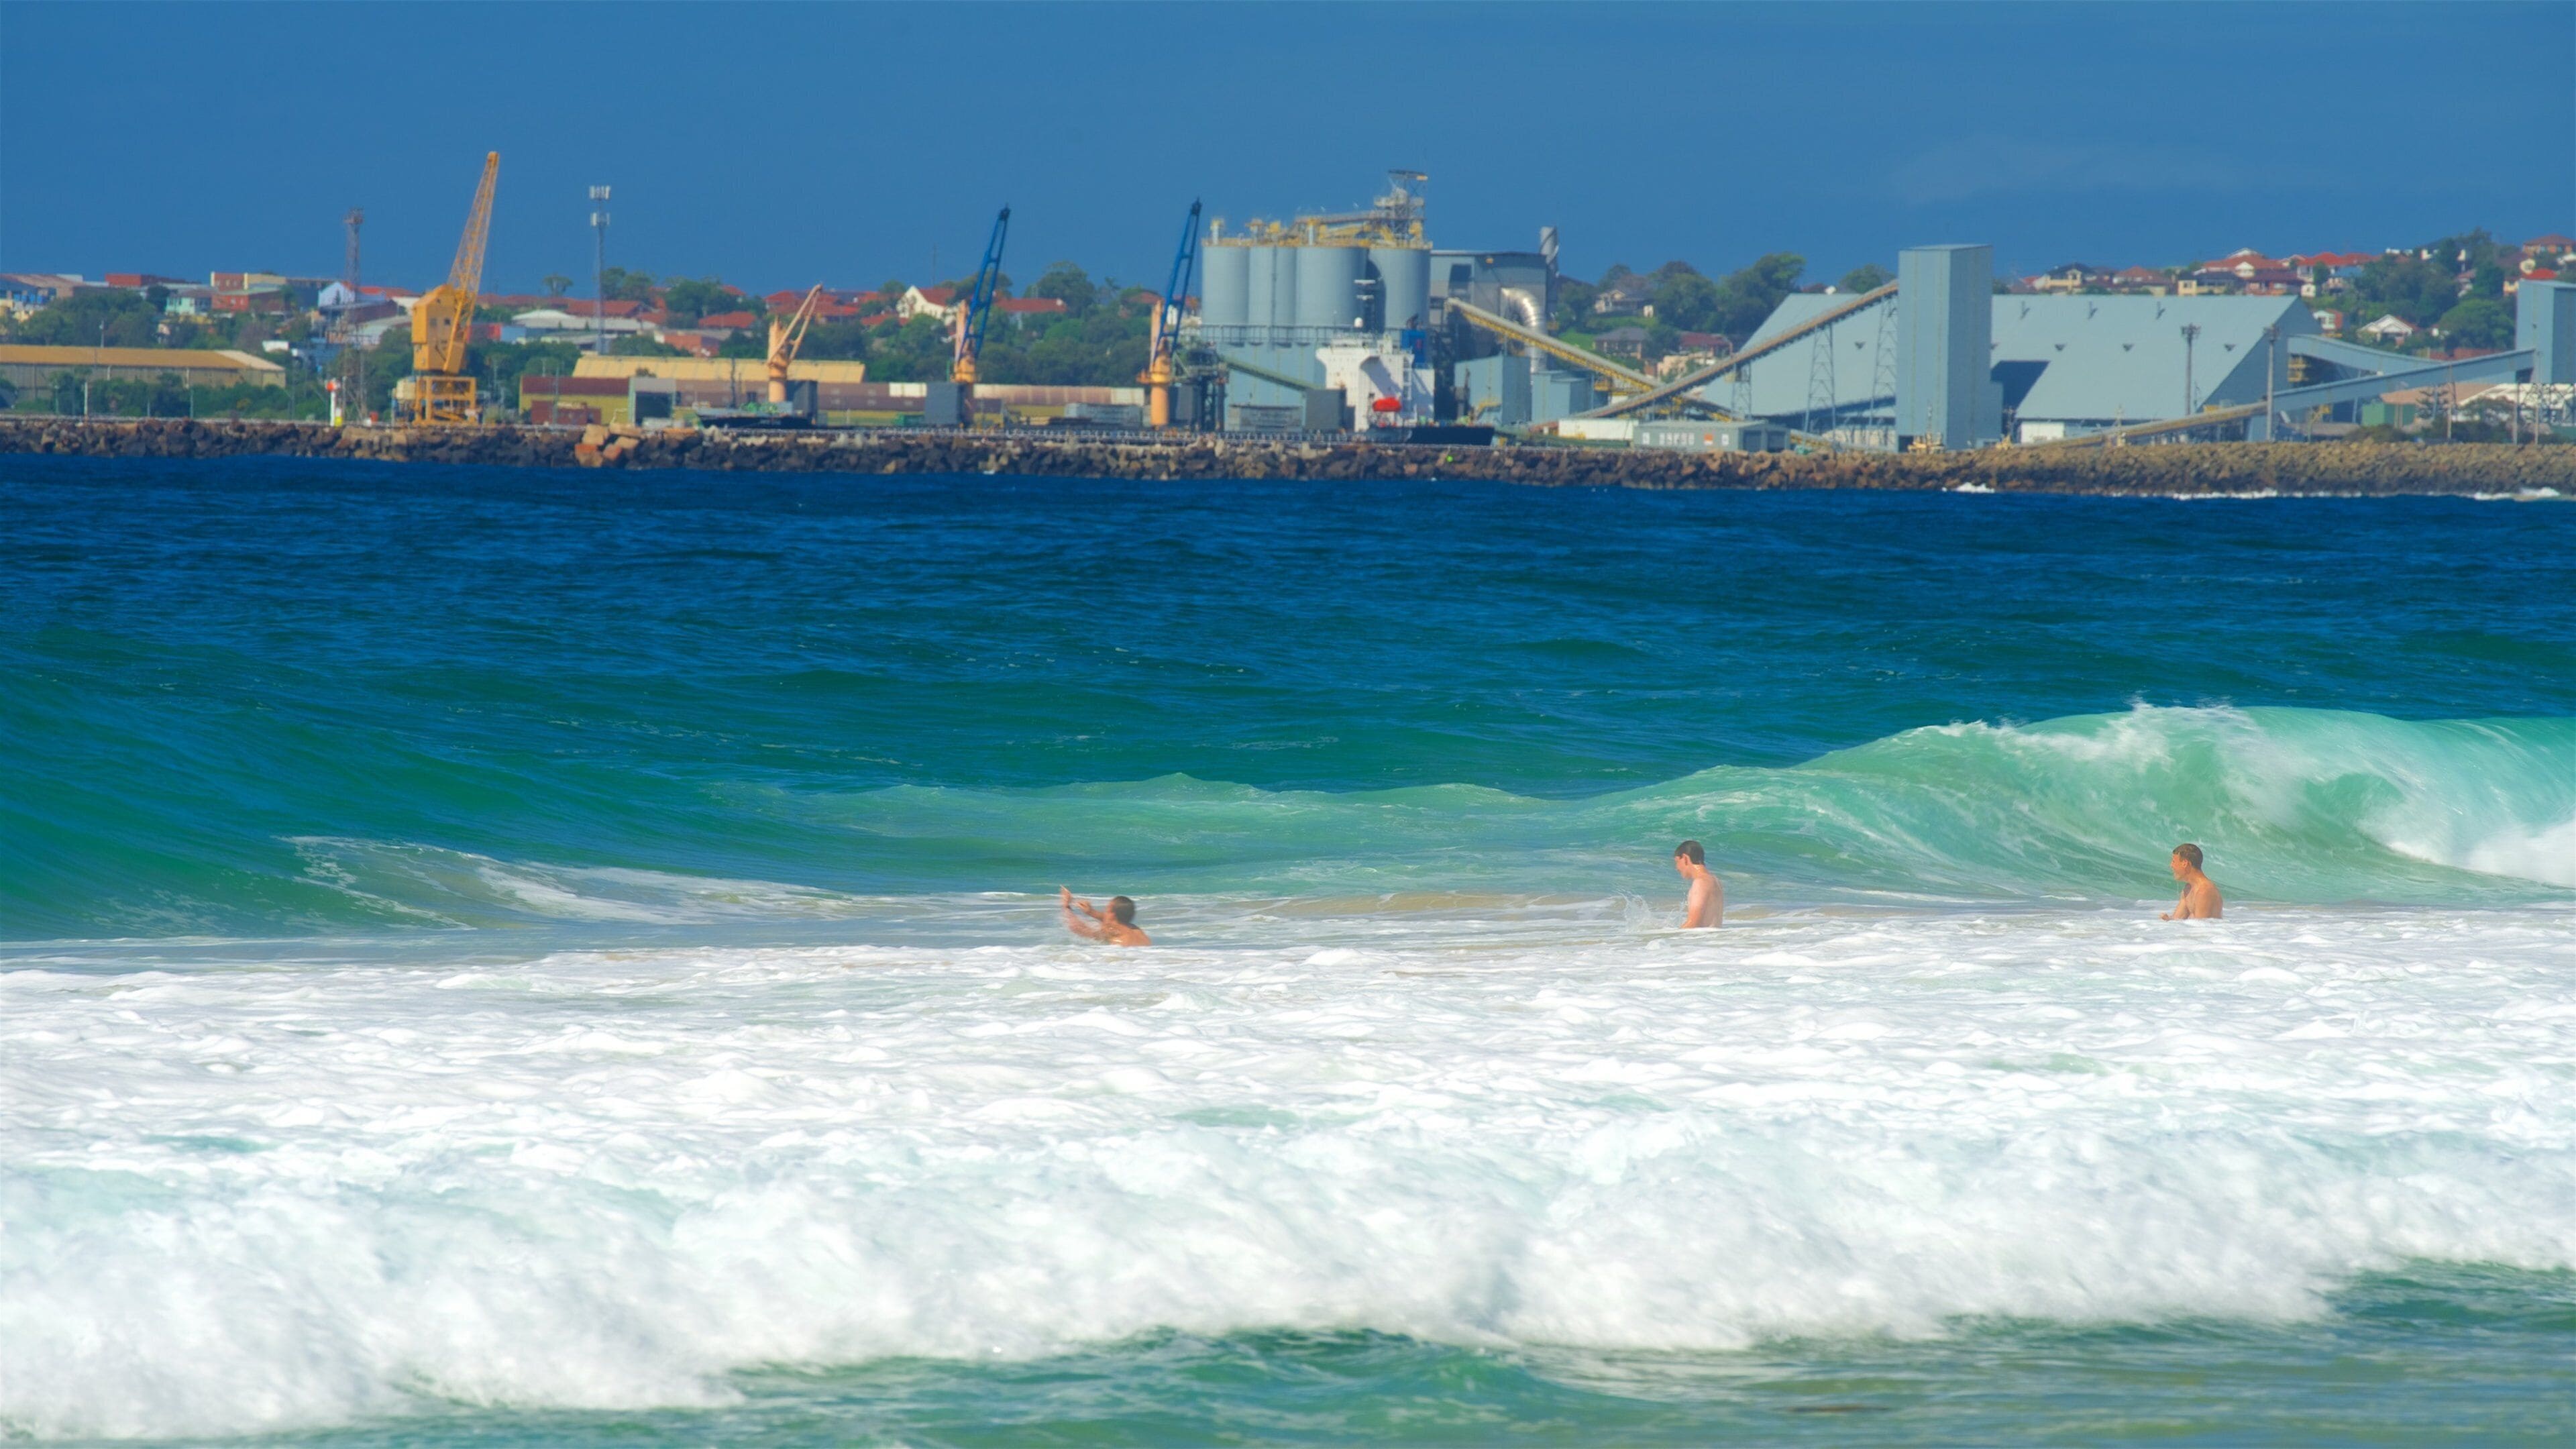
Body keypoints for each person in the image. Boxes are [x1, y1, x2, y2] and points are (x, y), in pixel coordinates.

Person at [1061, 885, 1151, 946]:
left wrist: (1066, 906)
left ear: (1113, 915)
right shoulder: (1136, 930)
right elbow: (1111, 920)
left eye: (1107, 910)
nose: (1105, 913)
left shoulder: (1112, 931)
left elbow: (1077, 928)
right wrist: (1091, 912)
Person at [2159, 843, 2224, 920]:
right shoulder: (2188, 889)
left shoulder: (2205, 891)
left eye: (2173, 862)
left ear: (2185, 863)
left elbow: (2202, 928)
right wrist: (2168, 920)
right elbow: (2176, 920)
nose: (2171, 866)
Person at [1673, 840, 1723, 928]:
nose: (1677, 868)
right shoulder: (1715, 881)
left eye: (1677, 862)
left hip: (1702, 940)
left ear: (1685, 858)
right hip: (1710, 939)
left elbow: (1694, 923)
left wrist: (1669, 939)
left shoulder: (1701, 883)